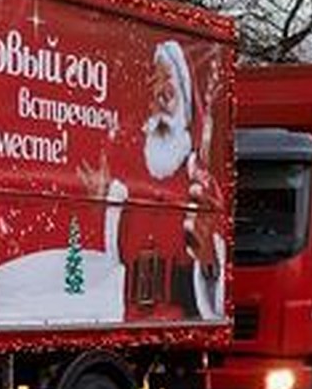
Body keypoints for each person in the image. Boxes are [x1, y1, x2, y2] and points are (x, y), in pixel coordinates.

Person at [82, 40, 225, 320]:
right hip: (128, 324)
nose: (160, 91)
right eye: (153, 82)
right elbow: (104, 266)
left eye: (167, 78)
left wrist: (208, 256)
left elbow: (215, 288)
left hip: (178, 325)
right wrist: (96, 211)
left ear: (183, 94)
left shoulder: (200, 183)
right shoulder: (124, 184)